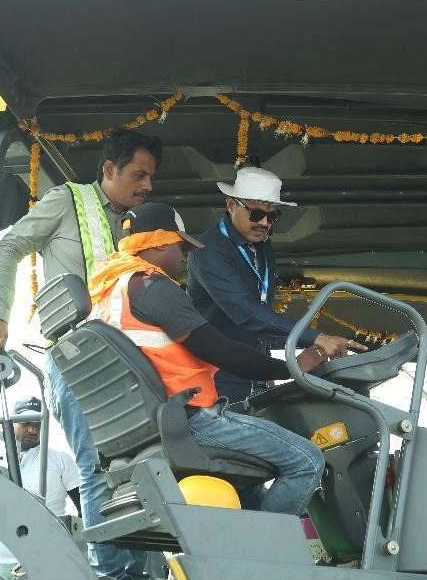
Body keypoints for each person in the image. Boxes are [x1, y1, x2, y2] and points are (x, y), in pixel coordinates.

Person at [0, 128, 161, 580]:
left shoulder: (133, 228)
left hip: (124, 365)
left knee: (135, 468)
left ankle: (137, 578)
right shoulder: (66, 200)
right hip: (78, 358)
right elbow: (11, 246)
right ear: (109, 170)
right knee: (97, 465)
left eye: (151, 178)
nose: (147, 186)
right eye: (139, 175)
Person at [88, 202, 328, 515]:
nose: (184, 258)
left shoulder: (108, 293)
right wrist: (291, 368)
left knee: (249, 484)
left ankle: (242, 548)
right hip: (187, 421)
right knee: (306, 461)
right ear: (161, 243)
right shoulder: (154, 287)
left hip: (141, 429)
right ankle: (263, 555)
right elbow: (220, 351)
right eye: (180, 248)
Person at [186, 166, 365, 403]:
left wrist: (276, 367)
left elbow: (261, 316)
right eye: (255, 213)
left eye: (272, 216)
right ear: (231, 204)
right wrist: (315, 337)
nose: (264, 223)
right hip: (217, 378)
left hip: (255, 371)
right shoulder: (208, 252)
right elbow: (245, 314)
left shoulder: (263, 245)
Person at [0, 396, 80, 580]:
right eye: (26, 423)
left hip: (44, 561)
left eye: (37, 424)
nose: (31, 429)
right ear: (12, 424)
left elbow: (83, 507)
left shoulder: (60, 460)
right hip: (2, 559)